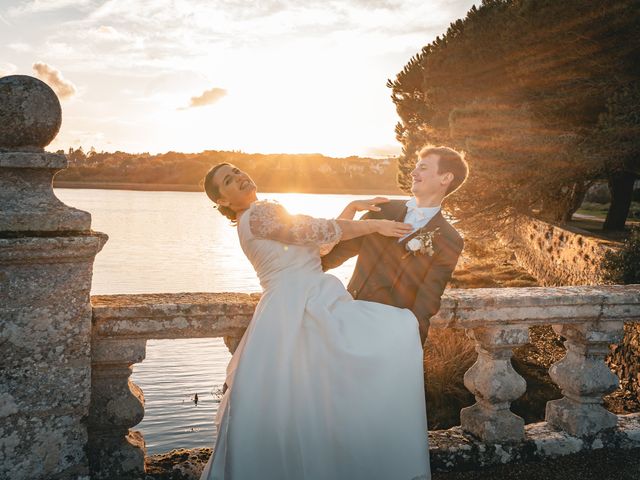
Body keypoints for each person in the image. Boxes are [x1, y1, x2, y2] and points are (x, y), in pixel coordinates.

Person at [200, 163, 431, 480]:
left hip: (287, 306)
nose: (239, 177)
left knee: (303, 398)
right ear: (223, 201)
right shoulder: (260, 212)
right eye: (228, 180)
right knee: (395, 333)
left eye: (237, 171)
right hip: (303, 304)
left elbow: (319, 243)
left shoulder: (251, 218)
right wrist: (375, 225)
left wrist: (351, 208)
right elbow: (314, 231)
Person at [322, 146, 468, 346]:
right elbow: (331, 257)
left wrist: (413, 346)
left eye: (423, 168)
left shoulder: (450, 239)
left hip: (392, 332)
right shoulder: (380, 211)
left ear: (445, 178)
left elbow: (428, 300)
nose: (413, 173)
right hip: (350, 321)